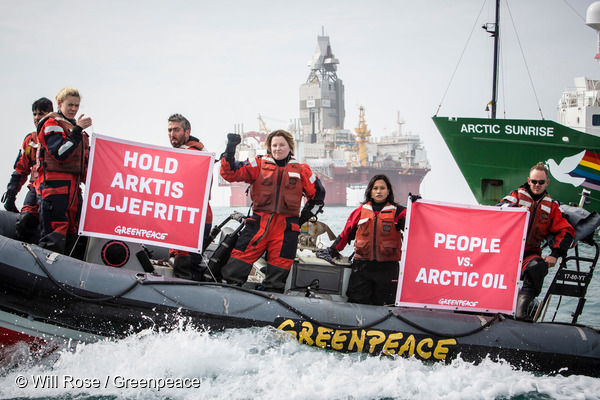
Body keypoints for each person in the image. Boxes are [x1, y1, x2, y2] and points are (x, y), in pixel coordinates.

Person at [220, 130, 325, 292]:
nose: (278, 148)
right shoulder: (258, 164)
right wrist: (231, 148)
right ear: (269, 147)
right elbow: (230, 173)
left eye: (282, 145)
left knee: (276, 281)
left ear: (290, 147)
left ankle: (270, 304)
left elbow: (318, 198)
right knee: (235, 268)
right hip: (257, 226)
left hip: (286, 231)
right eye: (274, 145)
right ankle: (228, 296)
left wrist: (300, 220)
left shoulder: (302, 170)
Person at [497, 162, 575, 321]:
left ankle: (521, 311)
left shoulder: (552, 206)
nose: (537, 185)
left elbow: (565, 231)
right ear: (528, 180)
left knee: (538, 266)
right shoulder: (515, 196)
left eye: (541, 182)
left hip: (529, 252)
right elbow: (499, 209)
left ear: (547, 183)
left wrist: (555, 254)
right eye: (534, 181)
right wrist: (516, 211)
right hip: (506, 250)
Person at [318, 174, 406, 305]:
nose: (379, 191)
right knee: (356, 302)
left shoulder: (399, 212)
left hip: (387, 269)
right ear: (370, 191)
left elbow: (417, 230)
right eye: (375, 188)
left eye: (382, 188)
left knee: (386, 304)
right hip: (362, 268)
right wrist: (332, 250)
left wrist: (417, 206)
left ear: (388, 191)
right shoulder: (359, 212)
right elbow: (346, 233)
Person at [36, 87, 91, 254]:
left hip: (74, 191)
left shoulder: (74, 128)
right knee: (55, 232)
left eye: (76, 105)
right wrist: (77, 130)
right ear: (59, 103)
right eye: (70, 105)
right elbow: (60, 153)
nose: (73, 109)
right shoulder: (51, 124)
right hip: (55, 189)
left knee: (72, 231)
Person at [167, 113, 213, 280]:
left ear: (187, 132)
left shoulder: (194, 154)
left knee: (186, 264)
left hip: (193, 218)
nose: (172, 134)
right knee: (182, 259)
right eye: (170, 130)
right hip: (182, 216)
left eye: (176, 130)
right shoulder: (182, 154)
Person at [1, 98, 53, 243]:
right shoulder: (30, 140)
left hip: (55, 190)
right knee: (25, 221)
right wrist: (11, 195)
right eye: (34, 114)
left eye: (41, 114)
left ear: (50, 114)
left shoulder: (59, 137)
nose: (37, 118)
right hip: (35, 189)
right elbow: (20, 169)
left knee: (52, 228)